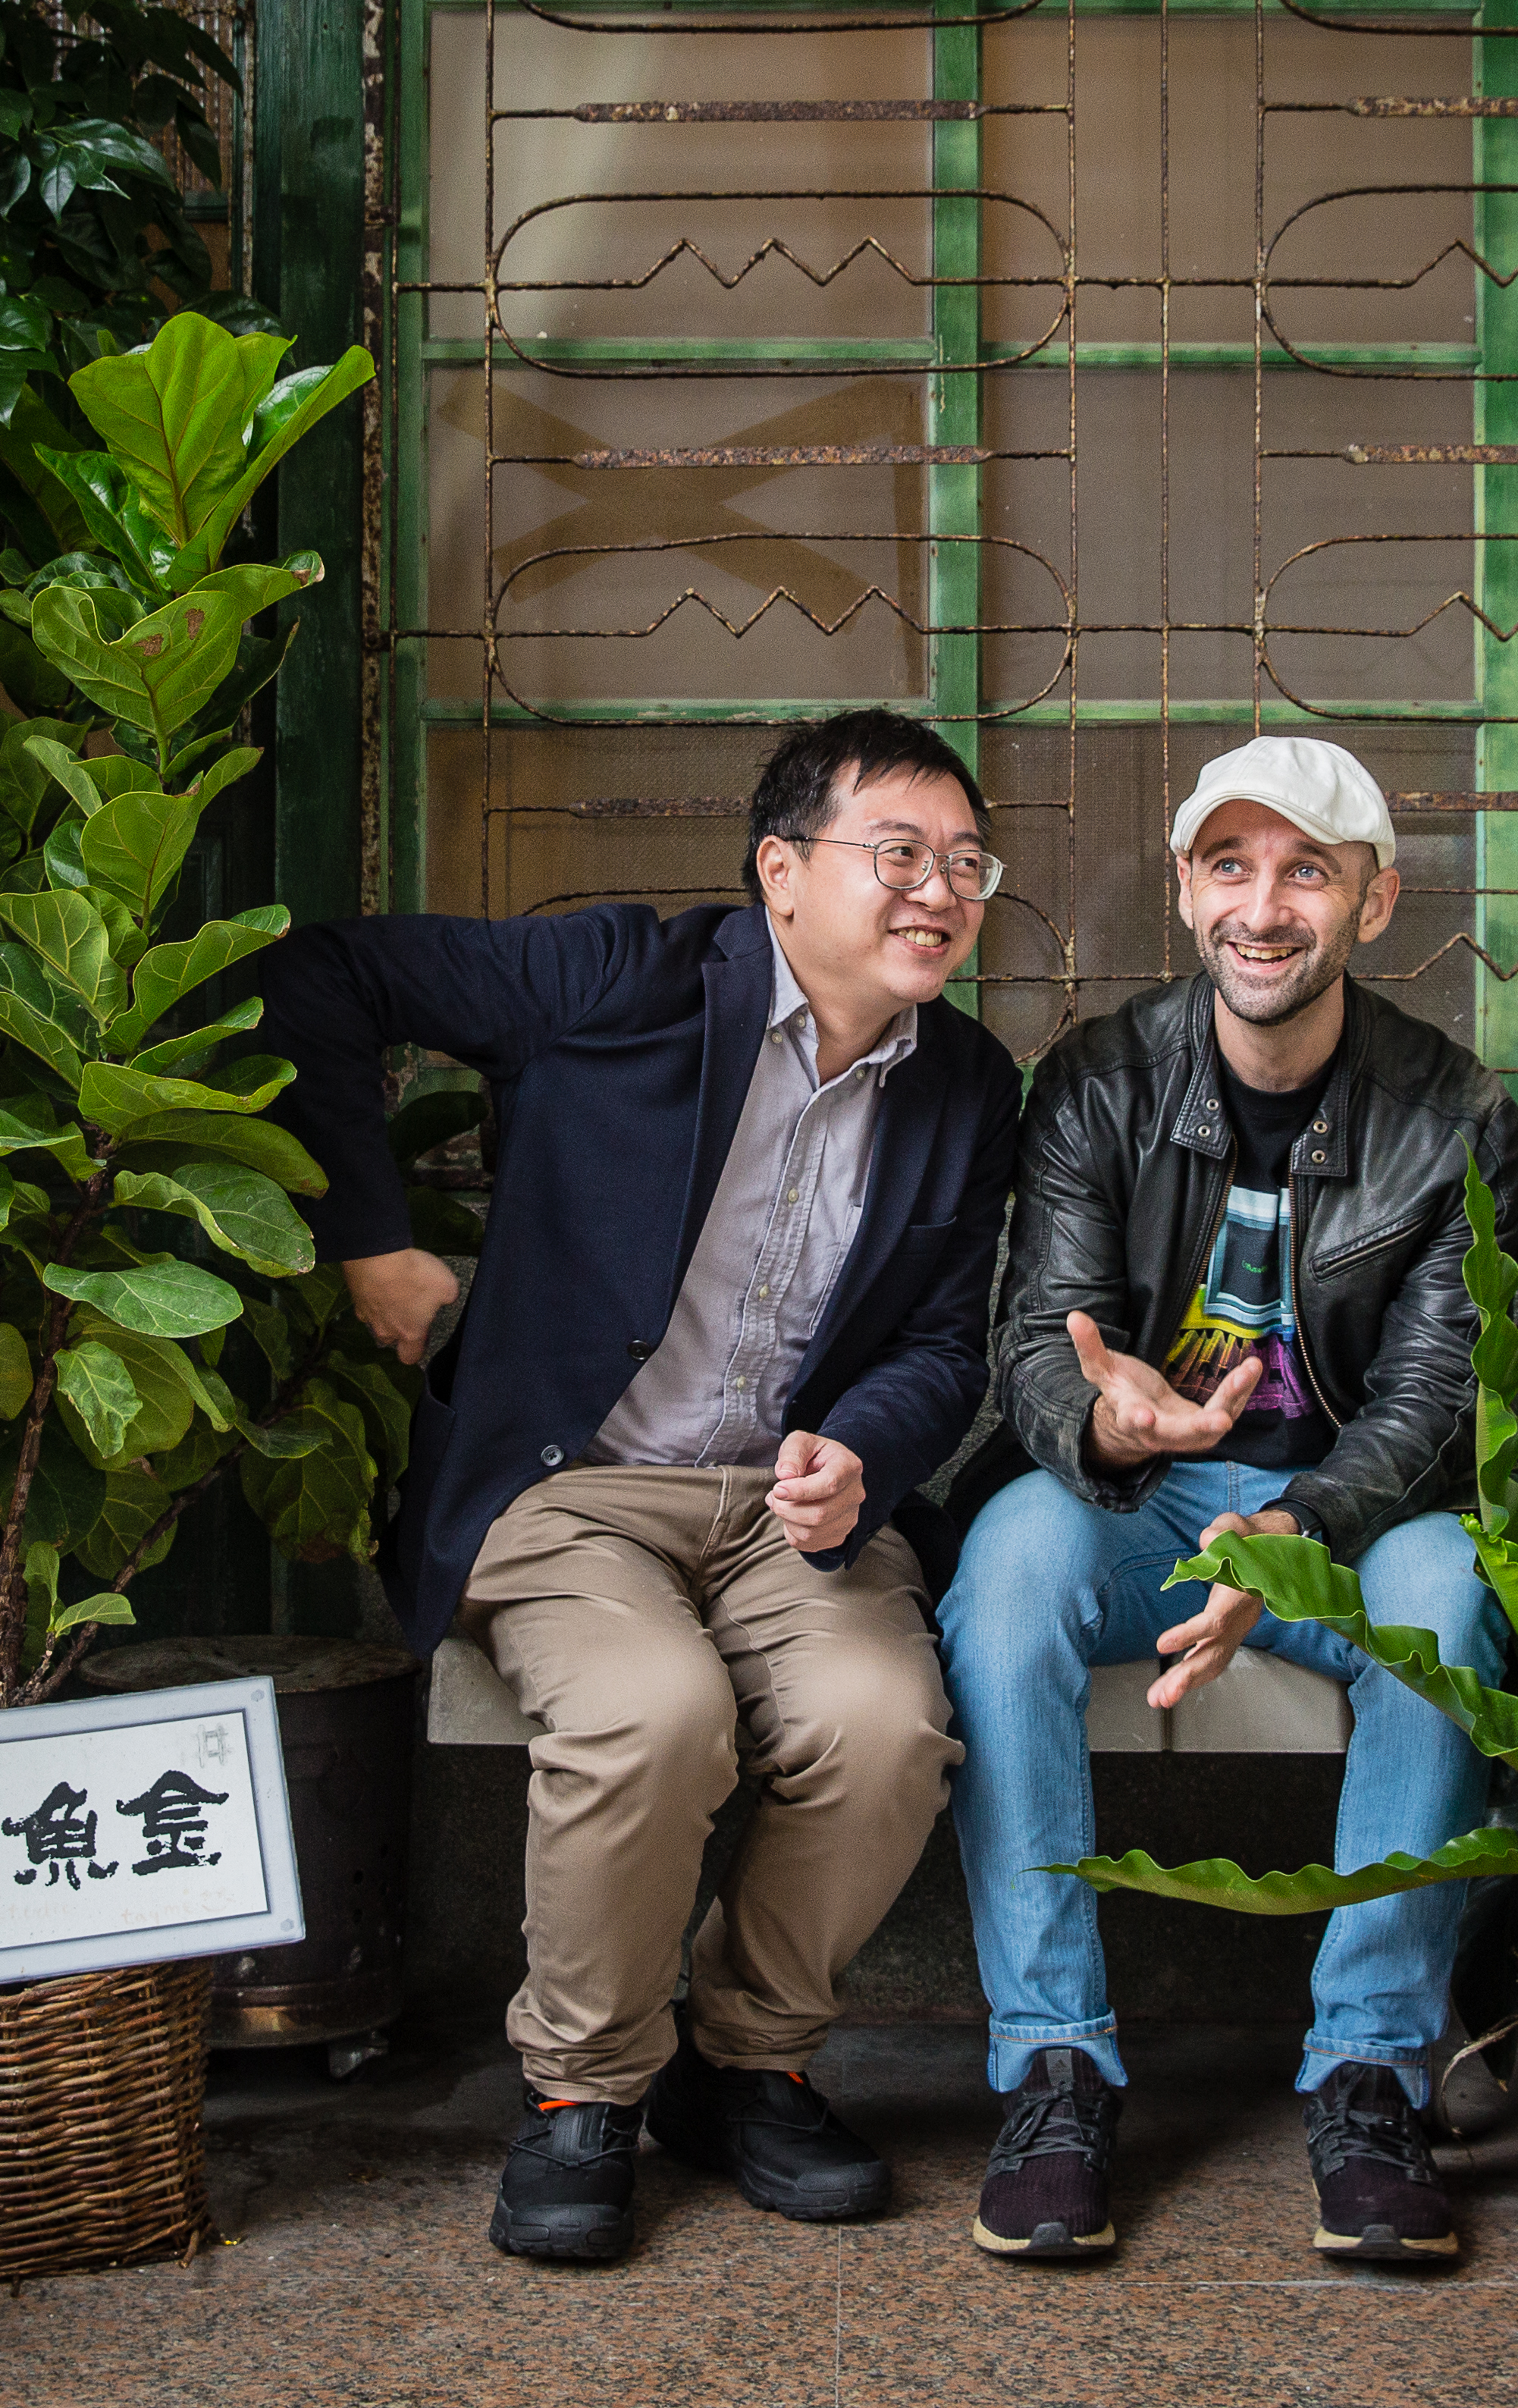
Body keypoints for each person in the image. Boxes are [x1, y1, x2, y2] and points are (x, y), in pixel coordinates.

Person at [261, 709, 1027, 2265]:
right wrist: (368, 1233)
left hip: (782, 1508)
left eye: (962, 861)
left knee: (883, 1728)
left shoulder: (963, 1081)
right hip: (573, 1487)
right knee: (653, 1711)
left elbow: (949, 1340)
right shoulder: (622, 977)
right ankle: (581, 2092)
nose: (934, 889)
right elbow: (315, 975)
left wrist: (862, 1446)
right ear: (780, 871)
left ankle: (743, 2063)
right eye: (896, 852)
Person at [941, 734, 1518, 2268]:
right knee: (1005, 1568)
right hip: (1143, 1504)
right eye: (1229, 867)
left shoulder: (1447, 1110)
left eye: (1305, 872)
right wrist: (1106, 1423)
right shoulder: (1096, 1082)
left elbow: (1432, 1396)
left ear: (1372, 903)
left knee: (1448, 1597)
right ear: (1188, 891)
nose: (1262, 909)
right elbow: (1037, 1335)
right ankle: (1054, 2065)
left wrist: (1304, 1527)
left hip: (1341, 1503)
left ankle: (1367, 2070)